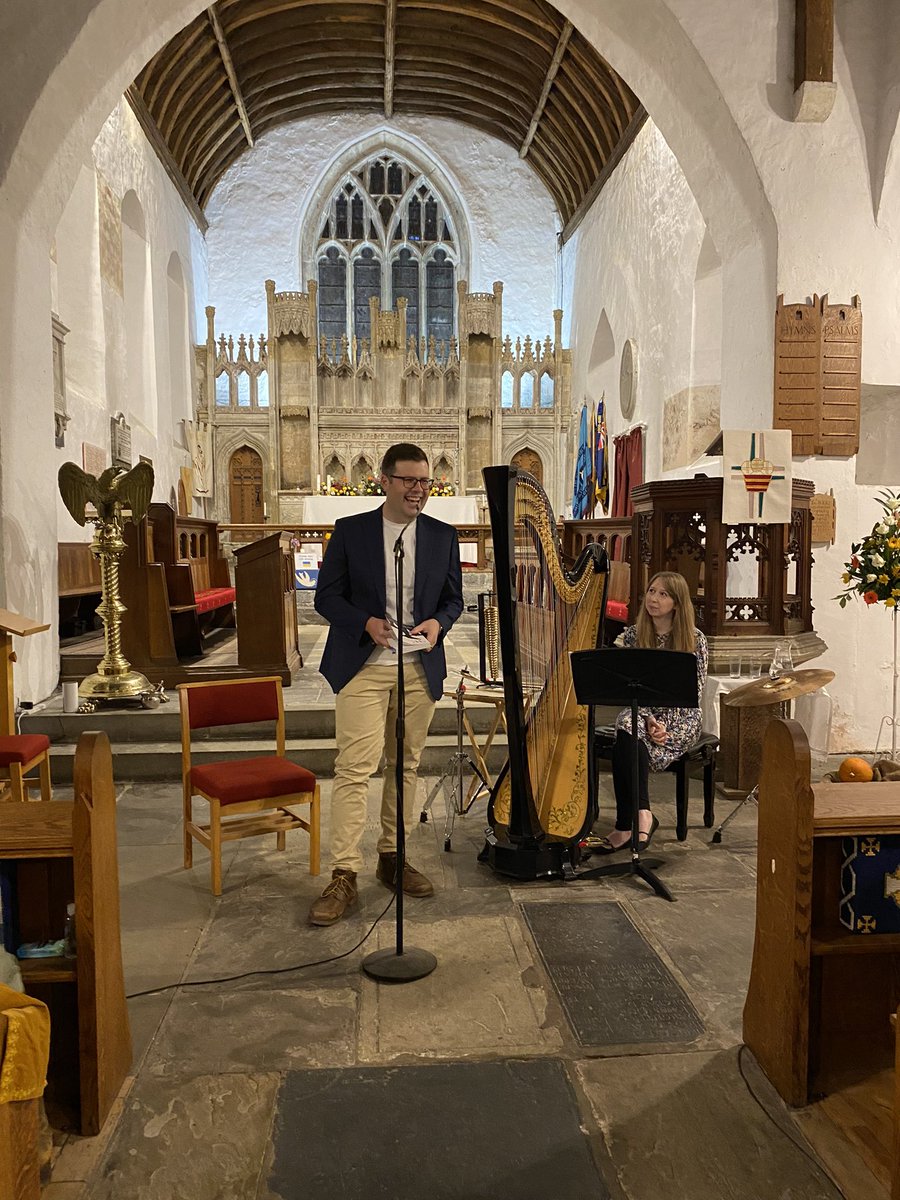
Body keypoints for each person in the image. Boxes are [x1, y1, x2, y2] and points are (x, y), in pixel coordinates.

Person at [308, 443, 463, 925]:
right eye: (410, 481)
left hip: (418, 666)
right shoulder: (352, 532)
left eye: (425, 482)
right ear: (385, 480)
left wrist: (439, 623)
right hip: (364, 665)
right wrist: (366, 623)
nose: (419, 490)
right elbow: (325, 597)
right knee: (355, 767)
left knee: (406, 763)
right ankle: (344, 874)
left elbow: (453, 599)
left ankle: (392, 857)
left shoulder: (442, 535)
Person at [592, 571, 708, 854]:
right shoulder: (633, 634)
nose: (654, 599)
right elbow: (628, 686)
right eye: (652, 591)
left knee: (627, 737)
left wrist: (663, 724)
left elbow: (694, 692)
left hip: (681, 717)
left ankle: (625, 825)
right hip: (644, 713)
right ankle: (641, 814)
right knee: (627, 721)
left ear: (677, 603)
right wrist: (650, 718)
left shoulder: (695, 639)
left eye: (663, 594)